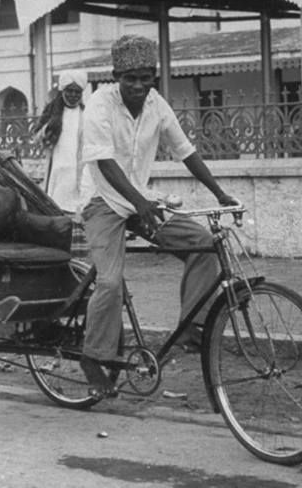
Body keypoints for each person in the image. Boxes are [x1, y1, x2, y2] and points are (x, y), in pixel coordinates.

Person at [78, 34, 237, 398]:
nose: (138, 85)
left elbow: (186, 151)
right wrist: (141, 203)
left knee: (204, 245)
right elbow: (104, 162)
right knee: (110, 282)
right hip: (103, 202)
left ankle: (191, 329)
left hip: (141, 200)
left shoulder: (156, 104)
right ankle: (93, 356)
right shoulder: (99, 104)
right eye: (130, 77)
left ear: (155, 77)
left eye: (146, 77)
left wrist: (219, 192)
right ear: (116, 74)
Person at [31, 70, 87, 213]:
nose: (73, 95)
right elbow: (36, 139)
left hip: (77, 171)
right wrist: (48, 129)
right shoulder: (52, 112)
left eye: (77, 92)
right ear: (63, 91)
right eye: (69, 91)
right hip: (57, 170)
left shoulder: (85, 114)